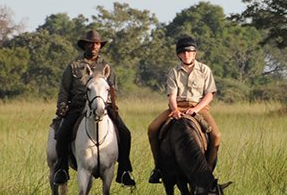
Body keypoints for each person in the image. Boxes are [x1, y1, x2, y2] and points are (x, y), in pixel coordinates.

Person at [53, 30, 137, 186]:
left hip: (103, 105)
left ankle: (124, 171)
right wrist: (62, 106)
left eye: (97, 43)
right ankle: (61, 169)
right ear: (85, 45)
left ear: (100, 46)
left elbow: (113, 88)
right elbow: (64, 90)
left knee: (125, 133)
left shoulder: (106, 66)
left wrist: (110, 101)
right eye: (91, 43)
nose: (94, 46)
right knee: (62, 132)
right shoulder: (74, 66)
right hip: (78, 106)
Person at [147, 36, 221, 182]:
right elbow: (172, 95)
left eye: (190, 52)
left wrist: (196, 109)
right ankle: (158, 167)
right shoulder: (174, 72)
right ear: (179, 55)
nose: (186, 55)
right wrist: (174, 110)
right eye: (183, 52)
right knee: (152, 128)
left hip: (199, 107)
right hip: (178, 106)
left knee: (216, 135)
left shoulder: (204, 70)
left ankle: (208, 169)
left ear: (195, 53)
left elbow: (209, 94)